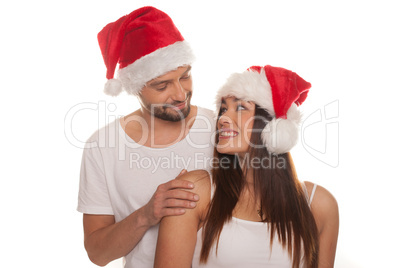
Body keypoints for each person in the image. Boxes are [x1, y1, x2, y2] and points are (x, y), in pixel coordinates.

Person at [154, 65, 339, 267]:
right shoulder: (195, 191)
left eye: (241, 107)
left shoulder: (319, 204)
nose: (223, 118)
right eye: (223, 109)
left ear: (273, 126)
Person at [77, 6, 215, 268]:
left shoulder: (224, 129)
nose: (179, 94)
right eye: (161, 86)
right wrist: (147, 214)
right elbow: (97, 253)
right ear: (135, 87)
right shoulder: (103, 146)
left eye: (185, 76)